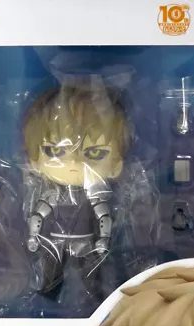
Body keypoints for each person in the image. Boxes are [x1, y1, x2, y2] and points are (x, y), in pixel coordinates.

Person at [23, 84, 129, 298]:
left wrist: (104, 238)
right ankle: (48, 298)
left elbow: (104, 216)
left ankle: (97, 301)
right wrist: (34, 235)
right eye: (54, 151)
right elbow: (38, 214)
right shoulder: (54, 193)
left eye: (95, 153)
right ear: (34, 162)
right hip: (55, 240)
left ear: (117, 165)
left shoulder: (93, 193)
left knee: (92, 279)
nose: (73, 162)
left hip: (85, 242)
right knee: (50, 277)